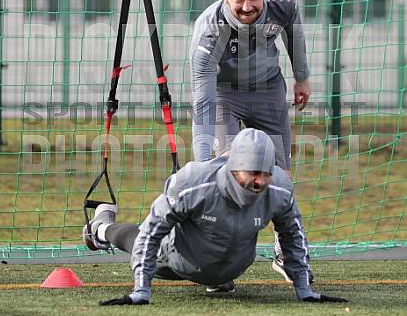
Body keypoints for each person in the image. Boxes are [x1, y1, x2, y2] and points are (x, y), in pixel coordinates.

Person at [83, 128, 346, 306]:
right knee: (138, 237)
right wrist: (141, 289)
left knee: (219, 264)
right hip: (176, 259)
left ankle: (218, 277)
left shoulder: (280, 190)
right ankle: (101, 228)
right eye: (252, 173)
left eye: (265, 173)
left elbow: (293, 236)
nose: (259, 181)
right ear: (234, 167)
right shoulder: (193, 183)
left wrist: (304, 289)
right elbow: (152, 232)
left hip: (229, 266)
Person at [189, 0, 311, 278]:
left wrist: (302, 78)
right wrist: (202, 162)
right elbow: (203, 104)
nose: (246, 6)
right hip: (224, 95)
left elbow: (294, 37)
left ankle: (285, 252)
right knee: (231, 172)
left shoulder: (283, 3)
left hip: (268, 89)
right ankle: (219, 263)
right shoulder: (209, 31)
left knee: (281, 174)